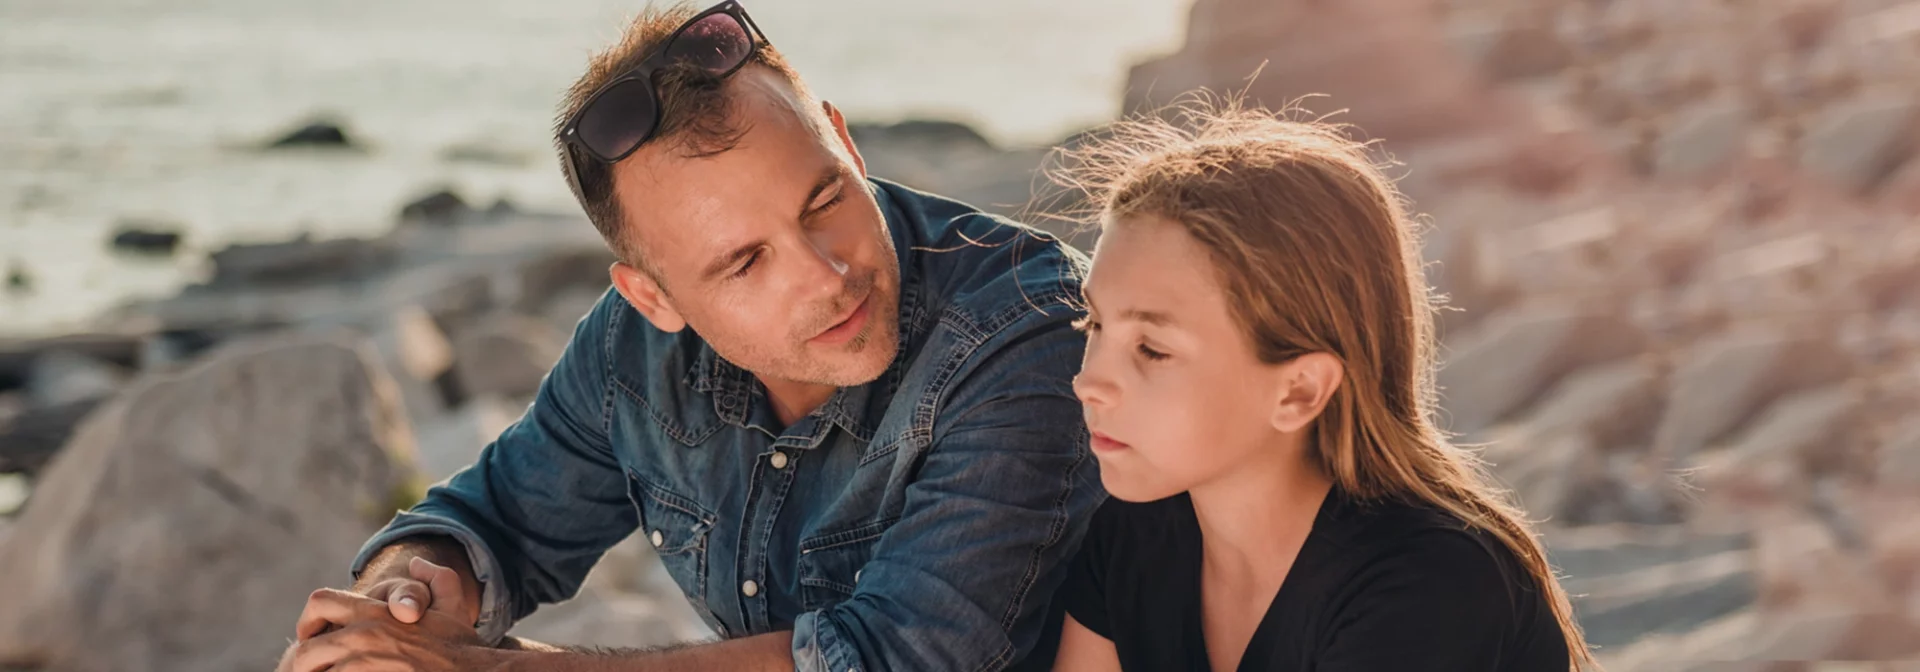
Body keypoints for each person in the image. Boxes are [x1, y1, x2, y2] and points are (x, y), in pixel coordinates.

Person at [276, 2, 1102, 671]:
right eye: (745, 262)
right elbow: (496, 518)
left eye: (825, 201)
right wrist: (395, 607)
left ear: (845, 143)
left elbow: (897, 657)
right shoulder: (631, 350)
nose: (825, 274)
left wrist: (473, 669)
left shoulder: (1024, 331)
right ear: (653, 296)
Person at [1047, 104, 1596, 671]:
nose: (1088, 382)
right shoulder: (1134, 535)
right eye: (1094, 324)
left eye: (1152, 349)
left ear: (1299, 392)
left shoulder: (1431, 586)